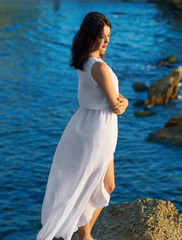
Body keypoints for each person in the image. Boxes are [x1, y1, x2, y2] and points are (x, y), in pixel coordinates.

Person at [37, 12, 128, 240]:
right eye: (102, 36)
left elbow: (112, 96)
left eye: (108, 36)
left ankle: (83, 234)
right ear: (90, 37)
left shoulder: (85, 62)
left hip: (88, 125)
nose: (107, 41)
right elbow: (115, 104)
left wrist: (121, 100)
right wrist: (124, 102)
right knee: (102, 184)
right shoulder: (99, 67)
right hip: (99, 129)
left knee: (98, 183)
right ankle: (84, 235)